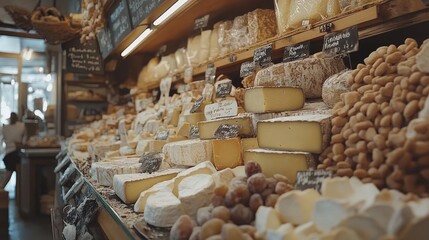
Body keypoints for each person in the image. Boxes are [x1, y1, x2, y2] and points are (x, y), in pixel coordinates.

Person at [0, 112, 26, 191]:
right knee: (12, 172)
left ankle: (2, 188)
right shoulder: (22, 126)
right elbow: (24, 141)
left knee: (9, 172)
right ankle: (2, 188)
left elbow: (2, 141)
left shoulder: (5, 128)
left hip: (8, 154)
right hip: (16, 153)